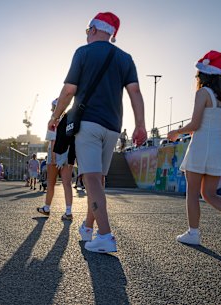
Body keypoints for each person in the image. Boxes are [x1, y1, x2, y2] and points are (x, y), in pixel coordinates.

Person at [49, 12, 147, 253]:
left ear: (93, 29)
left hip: (88, 122)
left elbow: (69, 90)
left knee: (90, 178)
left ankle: (105, 235)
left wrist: (55, 116)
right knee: (99, 178)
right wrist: (140, 125)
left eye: (87, 31)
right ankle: (87, 228)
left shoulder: (83, 53)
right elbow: (135, 92)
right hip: (113, 126)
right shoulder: (125, 58)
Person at [167, 50, 221, 248]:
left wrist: (176, 132)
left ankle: (193, 233)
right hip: (218, 149)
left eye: (198, 74)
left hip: (199, 147)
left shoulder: (203, 93)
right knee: (210, 194)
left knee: (193, 193)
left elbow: (195, 124)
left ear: (204, 74)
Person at [37, 99, 75, 220]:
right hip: (67, 154)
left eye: (52, 107)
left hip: (55, 153)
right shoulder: (70, 119)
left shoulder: (53, 121)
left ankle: (47, 208)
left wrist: (53, 158)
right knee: (67, 184)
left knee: (51, 183)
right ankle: (68, 211)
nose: (51, 110)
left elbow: (53, 140)